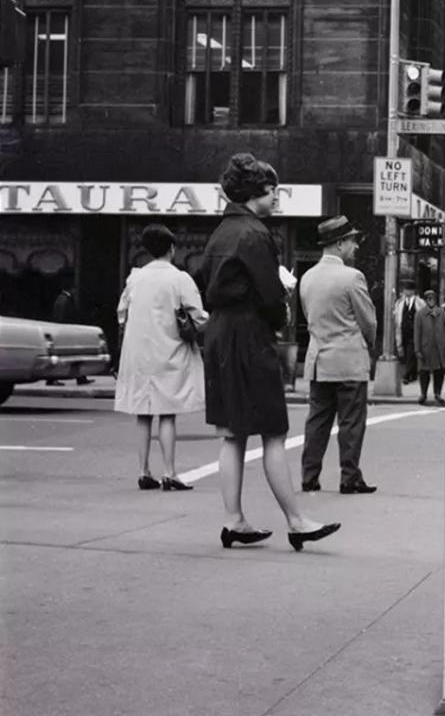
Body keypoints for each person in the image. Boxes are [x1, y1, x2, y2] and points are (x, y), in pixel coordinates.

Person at [195, 153, 339, 551]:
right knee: (274, 431)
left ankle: (234, 520)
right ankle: (296, 520)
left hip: (220, 334)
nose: (277, 195)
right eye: (273, 188)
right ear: (258, 191)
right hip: (248, 335)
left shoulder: (221, 232)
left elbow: (206, 281)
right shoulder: (257, 235)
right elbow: (270, 297)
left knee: (232, 433)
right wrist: (283, 307)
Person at [114, 225, 207, 491]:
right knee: (167, 413)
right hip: (170, 352)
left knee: (143, 414)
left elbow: (121, 314)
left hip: (138, 354)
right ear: (172, 248)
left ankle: (144, 471)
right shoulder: (180, 279)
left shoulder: (135, 278)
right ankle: (170, 472)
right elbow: (198, 317)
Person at [298, 216, 378, 495]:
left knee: (317, 421)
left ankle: (309, 476)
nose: (355, 246)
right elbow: (368, 321)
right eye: (352, 240)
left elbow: (309, 316)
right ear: (340, 243)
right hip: (348, 360)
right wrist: (369, 346)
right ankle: (349, 477)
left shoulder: (307, 278)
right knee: (351, 423)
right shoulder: (352, 277)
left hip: (319, 361)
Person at [47, 280, 95, 386]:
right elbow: (64, 317)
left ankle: (80, 378)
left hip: (63, 331)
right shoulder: (66, 300)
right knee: (73, 356)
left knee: (73, 356)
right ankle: (78, 378)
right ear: (71, 289)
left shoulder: (61, 298)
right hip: (67, 332)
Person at [414, 289, 445, 406]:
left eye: (433, 298)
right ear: (425, 300)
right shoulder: (420, 314)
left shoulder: (441, 313)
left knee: (439, 372)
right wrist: (417, 349)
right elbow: (417, 332)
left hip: (439, 348)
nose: (431, 301)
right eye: (428, 298)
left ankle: (437, 393)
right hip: (426, 348)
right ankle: (423, 393)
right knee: (424, 372)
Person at [393, 280, 424, 385]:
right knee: (407, 353)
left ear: (413, 291)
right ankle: (413, 374)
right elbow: (397, 317)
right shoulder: (400, 303)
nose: (406, 292)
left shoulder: (419, 302)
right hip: (403, 332)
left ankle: (406, 375)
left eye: (409, 290)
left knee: (411, 352)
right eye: (405, 289)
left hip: (414, 332)